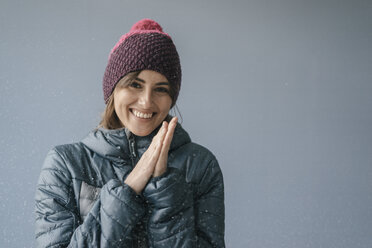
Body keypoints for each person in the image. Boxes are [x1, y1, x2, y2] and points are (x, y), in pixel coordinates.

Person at [35, 19, 225, 247]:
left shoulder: (201, 166)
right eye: (135, 84)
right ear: (113, 89)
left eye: (161, 89)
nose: (146, 101)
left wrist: (164, 190)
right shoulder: (65, 164)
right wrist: (128, 189)